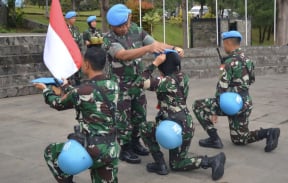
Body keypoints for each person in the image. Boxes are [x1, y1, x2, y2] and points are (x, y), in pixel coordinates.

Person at [103, 3, 184, 164]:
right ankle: (125, 148)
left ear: (129, 18)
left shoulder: (136, 30)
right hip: (120, 86)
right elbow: (123, 55)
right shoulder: (109, 39)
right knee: (123, 118)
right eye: (118, 26)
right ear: (112, 26)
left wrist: (174, 48)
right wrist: (147, 49)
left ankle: (135, 142)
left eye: (125, 24)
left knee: (139, 115)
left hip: (138, 82)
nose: (123, 28)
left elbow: (156, 45)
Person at [133, 50, 226, 181]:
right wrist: (174, 57)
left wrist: (154, 64)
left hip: (171, 127)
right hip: (186, 125)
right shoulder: (183, 77)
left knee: (144, 127)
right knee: (176, 164)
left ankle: (160, 164)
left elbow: (139, 82)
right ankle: (211, 161)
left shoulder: (165, 81)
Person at [34, 47, 120, 183]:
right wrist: (67, 86)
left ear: (87, 64)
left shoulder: (80, 91)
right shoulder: (114, 85)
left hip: (91, 150)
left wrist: (46, 90)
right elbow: (87, 93)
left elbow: (58, 104)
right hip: (111, 148)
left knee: (51, 152)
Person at [192, 30, 280, 152]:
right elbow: (252, 80)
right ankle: (268, 132)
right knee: (239, 139)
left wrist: (214, 110)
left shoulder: (229, 62)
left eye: (224, 43)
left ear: (228, 42)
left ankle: (214, 139)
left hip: (230, 103)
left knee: (197, 105)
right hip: (245, 102)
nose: (223, 47)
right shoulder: (248, 60)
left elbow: (221, 87)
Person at [65, 10, 83, 86]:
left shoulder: (76, 28)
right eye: (72, 18)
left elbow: (79, 40)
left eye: (75, 18)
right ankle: (68, 87)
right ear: (68, 19)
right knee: (68, 71)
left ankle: (78, 85)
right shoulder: (64, 28)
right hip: (68, 54)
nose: (74, 19)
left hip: (76, 53)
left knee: (78, 71)